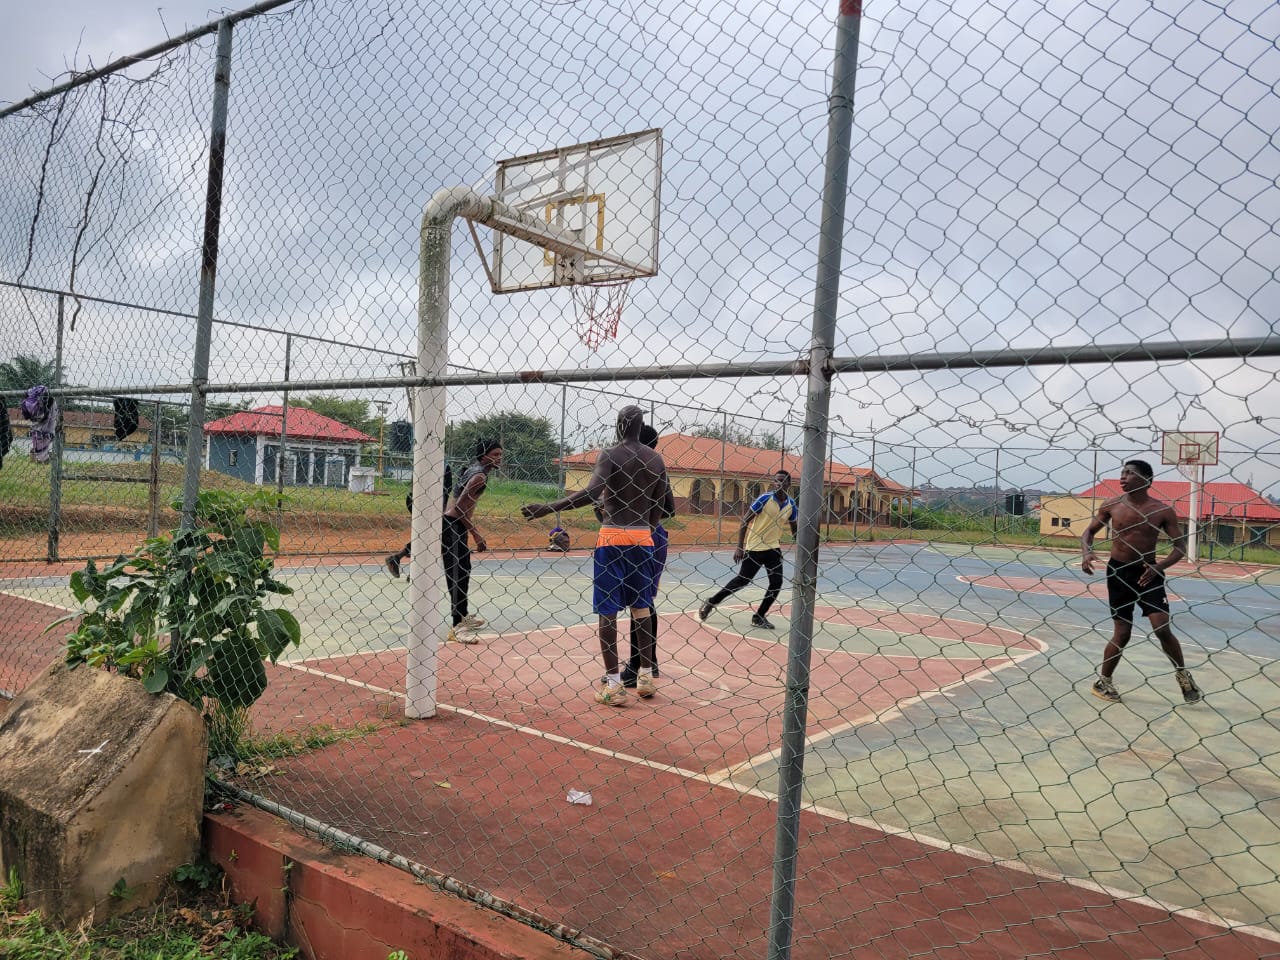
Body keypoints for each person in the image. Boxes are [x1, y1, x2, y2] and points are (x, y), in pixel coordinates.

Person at [521, 405, 673, 706]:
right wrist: (646, 524)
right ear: (641, 425)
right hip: (643, 538)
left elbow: (592, 493)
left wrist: (548, 508)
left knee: (608, 610)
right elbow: (664, 504)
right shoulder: (655, 459)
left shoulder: (610, 454)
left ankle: (614, 685)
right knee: (641, 607)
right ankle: (645, 676)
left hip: (612, 536)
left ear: (619, 424)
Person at [1081, 458, 1202, 704]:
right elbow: (1089, 532)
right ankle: (1104, 681)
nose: (1123, 477)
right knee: (1122, 632)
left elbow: (1179, 547)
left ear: (1147, 480)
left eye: (1130, 473)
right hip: (1118, 573)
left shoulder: (1161, 510)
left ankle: (1182, 675)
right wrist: (1086, 552)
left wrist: (1159, 567)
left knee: (1162, 628)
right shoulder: (1112, 504)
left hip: (1149, 573)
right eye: (1122, 472)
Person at [698, 470, 798, 630]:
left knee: (776, 583)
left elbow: (794, 527)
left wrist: (800, 543)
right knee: (742, 580)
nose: (778, 483)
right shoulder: (764, 499)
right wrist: (740, 547)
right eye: (776, 480)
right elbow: (745, 521)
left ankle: (759, 616)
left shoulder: (791, 504)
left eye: (782, 481)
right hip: (755, 547)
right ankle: (711, 602)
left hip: (774, 548)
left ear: (788, 484)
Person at [621, 424, 673, 688]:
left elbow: (669, 508)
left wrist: (641, 508)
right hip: (641, 535)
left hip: (644, 535)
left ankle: (637, 665)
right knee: (642, 601)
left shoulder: (648, 467)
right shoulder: (650, 466)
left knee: (639, 602)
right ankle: (648, 659)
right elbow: (670, 508)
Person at [442, 439, 503, 643]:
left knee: (463, 571)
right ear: (483, 456)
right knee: (457, 575)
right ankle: (457, 626)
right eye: (495, 455)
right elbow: (459, 508)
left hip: (456, 525)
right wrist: (476, 533)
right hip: (453, 524)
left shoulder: (476, 470)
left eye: (500, 454)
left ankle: (463, 615)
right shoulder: (479, 476)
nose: (499, 458)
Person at [386, 462, 453, 580]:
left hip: (415, 500)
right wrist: (439, 514)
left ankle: (400, 560)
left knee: (426, 535)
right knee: (434, 536)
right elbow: (444, 493)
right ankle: (415, 570)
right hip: (429, 503)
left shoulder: (422, 461)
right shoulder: (444, 466)